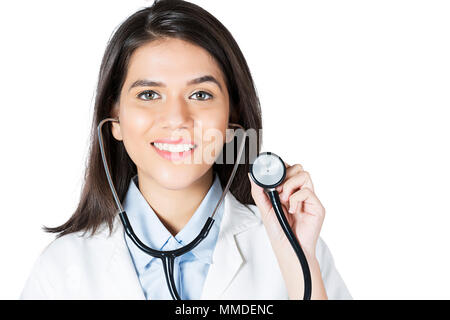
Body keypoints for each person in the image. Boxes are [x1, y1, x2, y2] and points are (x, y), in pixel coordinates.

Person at [20, 0, 351, 300]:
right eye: (149, 95)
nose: (177, 119)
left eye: (201, 95)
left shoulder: (296, 247)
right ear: (116, 118)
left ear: (231, 119)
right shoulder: (62, 269)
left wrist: (297, 263)